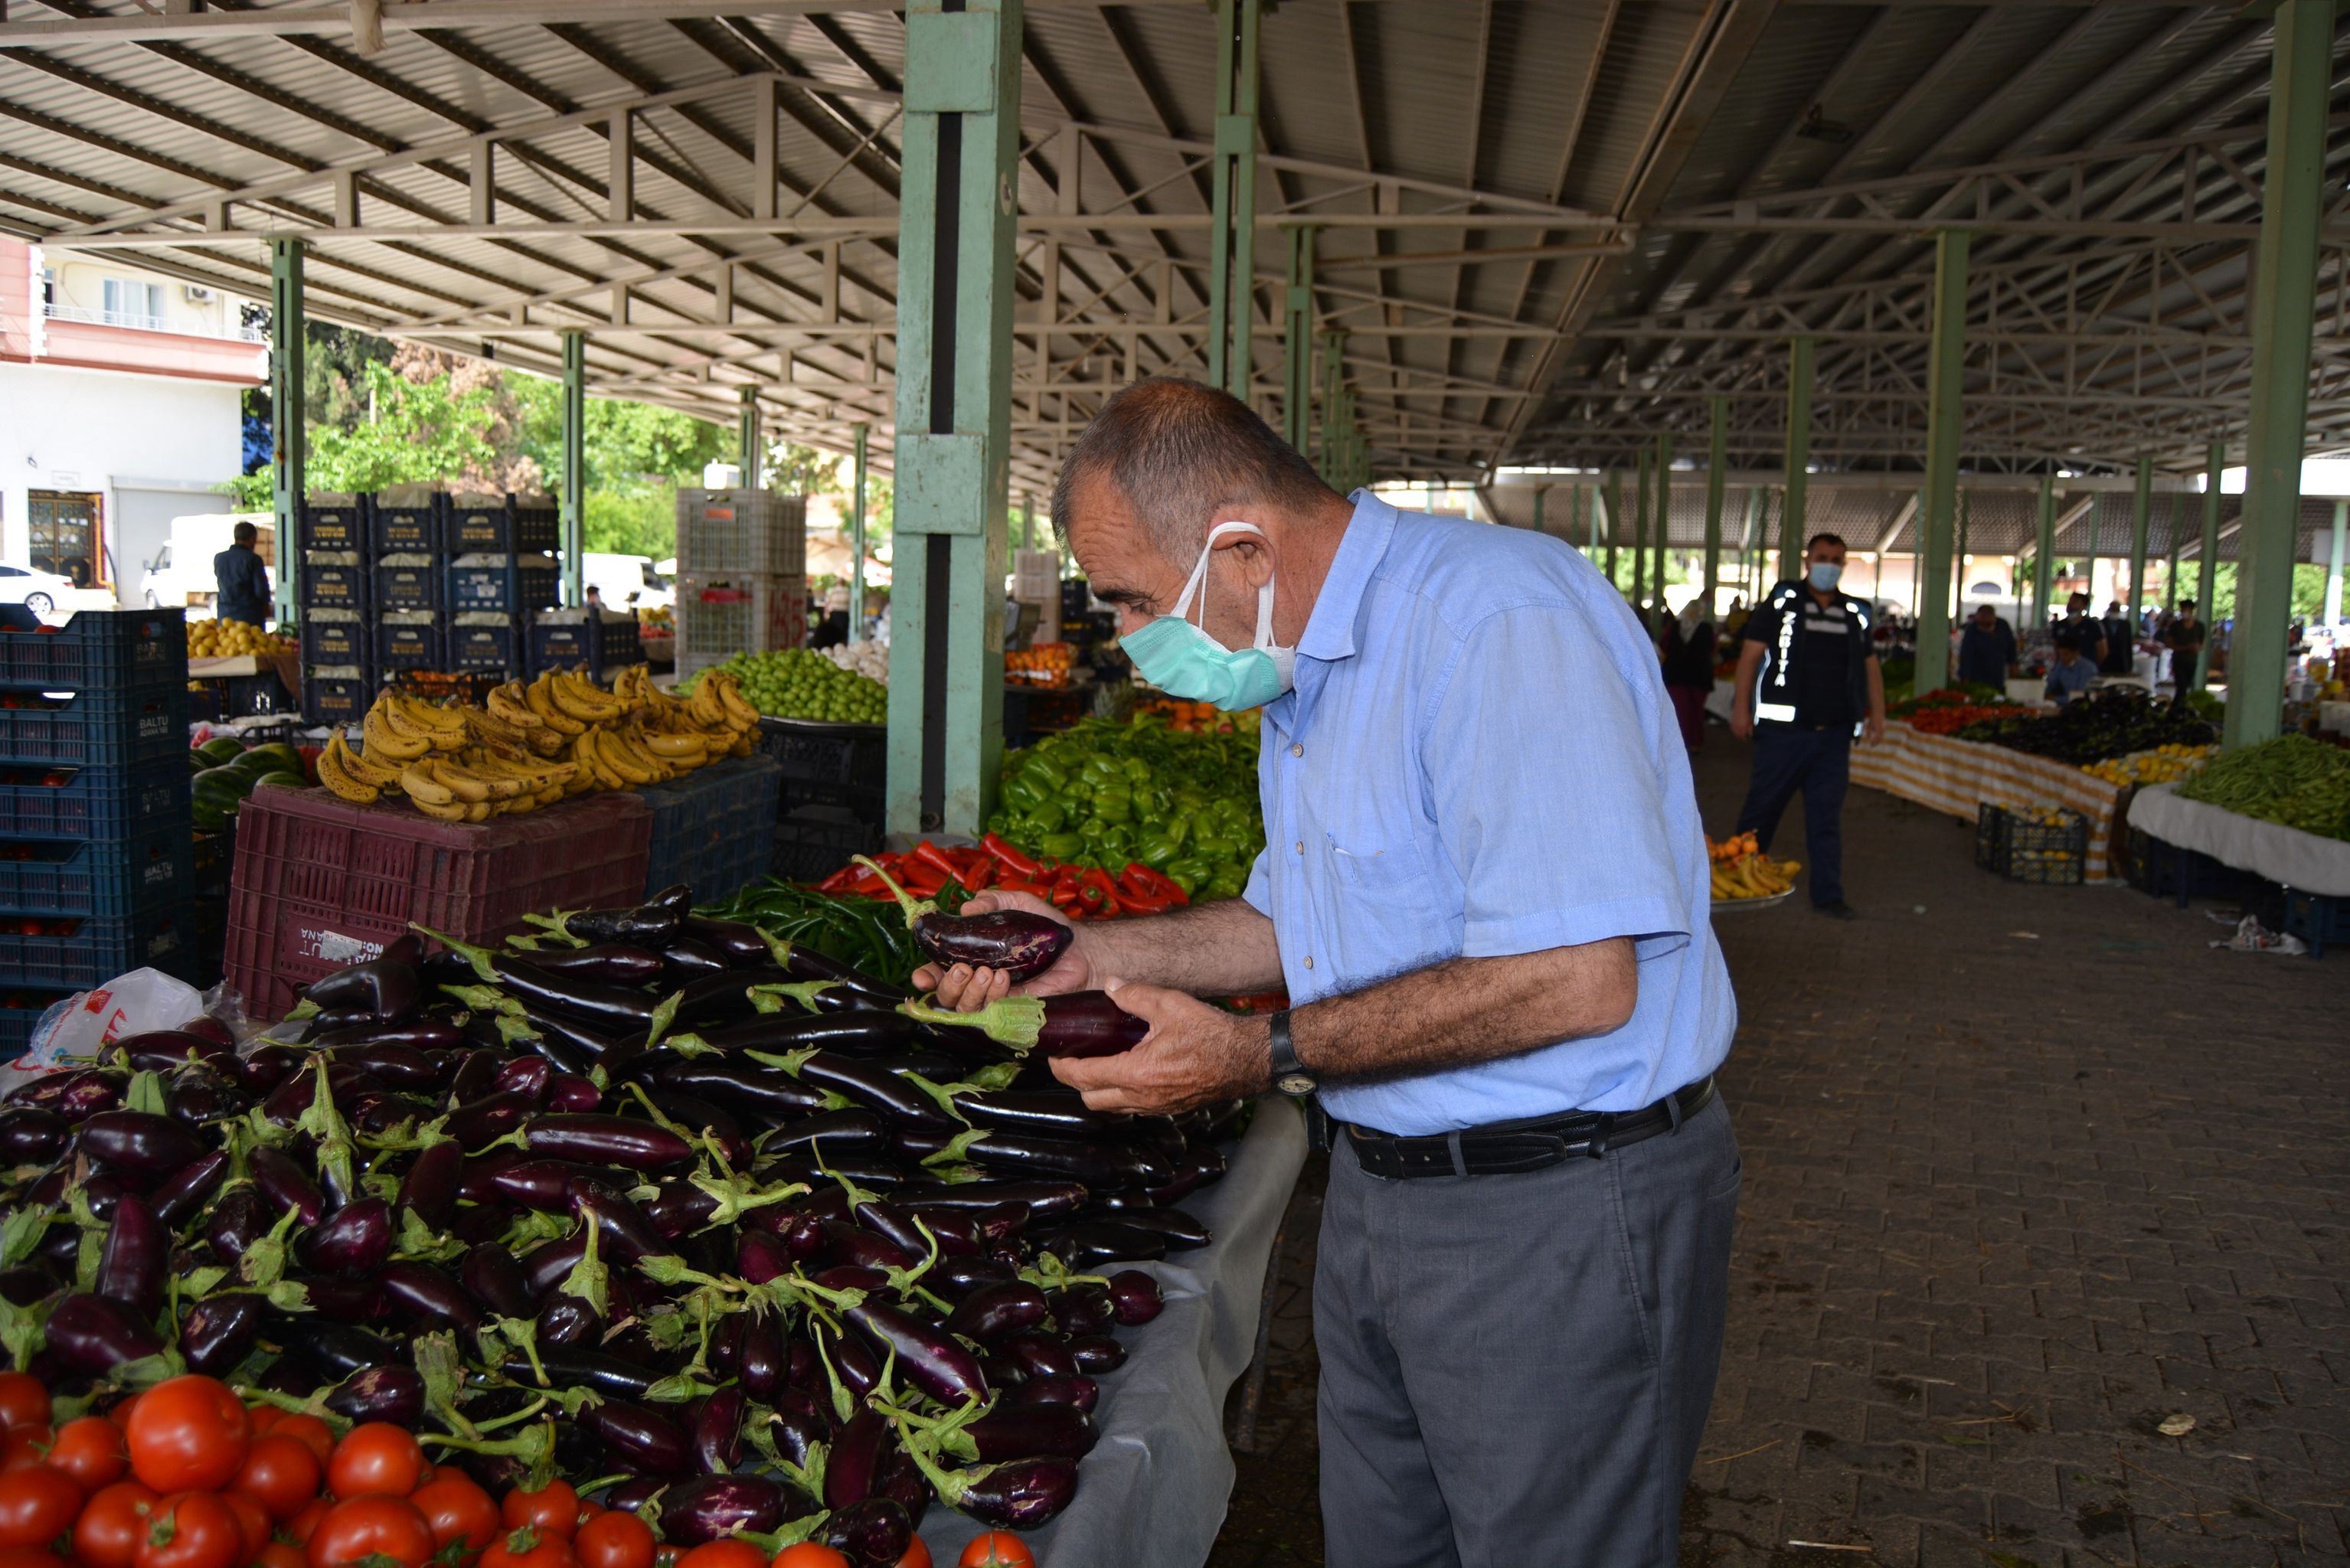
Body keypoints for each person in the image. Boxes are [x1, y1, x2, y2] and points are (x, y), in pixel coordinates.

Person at [920, 376, 1739, 1568]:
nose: (1134, 642)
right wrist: (1095, 951)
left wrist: (1257, 1055)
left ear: (1242, 550)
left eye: (1137, 601)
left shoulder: (1494, 623)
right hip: (1384, 1185)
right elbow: (1295, 919)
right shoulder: (1303, 662)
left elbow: (1575, 977)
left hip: (1556, 1207)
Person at [1728, 532, 1887, 920]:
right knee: (1761, 812)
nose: (1828, 565)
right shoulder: (1781, 604)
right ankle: (1737, 882)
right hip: (1783, 736)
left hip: (1833, 736)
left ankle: (1828, 896)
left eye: (1836, 559)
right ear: (1807, 561)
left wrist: (1878, 714)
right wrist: (1741, 709)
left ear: (1843, 564)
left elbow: (1870, 667)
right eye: (1822, 558)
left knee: (1825, 820)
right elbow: (1750, 657)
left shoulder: (1854, 614)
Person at [1659, 596, 1717, 752]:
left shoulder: (1675, 627)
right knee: (1697, 711)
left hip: (1676, 674)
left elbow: (1664, 646)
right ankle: (1695, 743)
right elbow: (1713, 648)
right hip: (1699, 675)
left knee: (1680, 711)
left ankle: (1680, 745)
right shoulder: (1706, 628)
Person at [212, 521, 270, 628]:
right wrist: (266, 606)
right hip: (249, 618)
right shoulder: (253, 559)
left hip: (225, 617)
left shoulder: (219, 558)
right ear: (252, 539)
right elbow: (261, 591)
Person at [1956, 602, 2018, 688]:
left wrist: (2013, 665)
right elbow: (1966, 654)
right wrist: (1964, 676)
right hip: (1976, 671)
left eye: (1987, 624)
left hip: (1997, 670)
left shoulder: (2003, 626)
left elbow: (2011, 648)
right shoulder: (1971, 629)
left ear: (1994, 618)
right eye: (1982, 624)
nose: (1984, 627)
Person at [2162, 599, 2207, 710]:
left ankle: (2179, 707)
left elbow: (2203, 644)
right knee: (2181, 686)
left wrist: (2196, 648)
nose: (2184, 612)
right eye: (2183, 610)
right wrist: (2183, 648)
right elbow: (2168, 642)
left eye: (2187, 610)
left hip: (2191, 660)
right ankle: (2177, 708)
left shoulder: (2199, 626)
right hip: (2179, 660)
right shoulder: (2175, 626)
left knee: (2186, 685)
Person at [2058, 591, 2107, 669]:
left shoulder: (2092, 626)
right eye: (2070, 600)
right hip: (2063, 669)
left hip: (2086, 669)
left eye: (2075, 601)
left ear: (2084, 606)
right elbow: (2055, 646)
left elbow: (2102, 651)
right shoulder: (2060, 625)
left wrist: (2092, 667)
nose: (2070, 604)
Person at [2044, 634, 2095, 707]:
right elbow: (2050, 682)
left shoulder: (2088, 669)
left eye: (2065, 654)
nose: (2062, 658)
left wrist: (2054, 698)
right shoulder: (2061, 664)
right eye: (2060, 654)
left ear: (2076, 653)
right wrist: (2042, 691)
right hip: (2066, 704)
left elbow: (2079, 697)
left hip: (2083, 706)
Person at [2100, 599, 2136, 675]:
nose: (2115, 612)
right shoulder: (2101, 624)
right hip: (2105, 662)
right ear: (2109, 610)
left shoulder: (2126, 625)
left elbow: (2128, 645)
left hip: (2121, 662)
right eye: (2113, 609)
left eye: (2117, 609)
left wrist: (2129, 665)